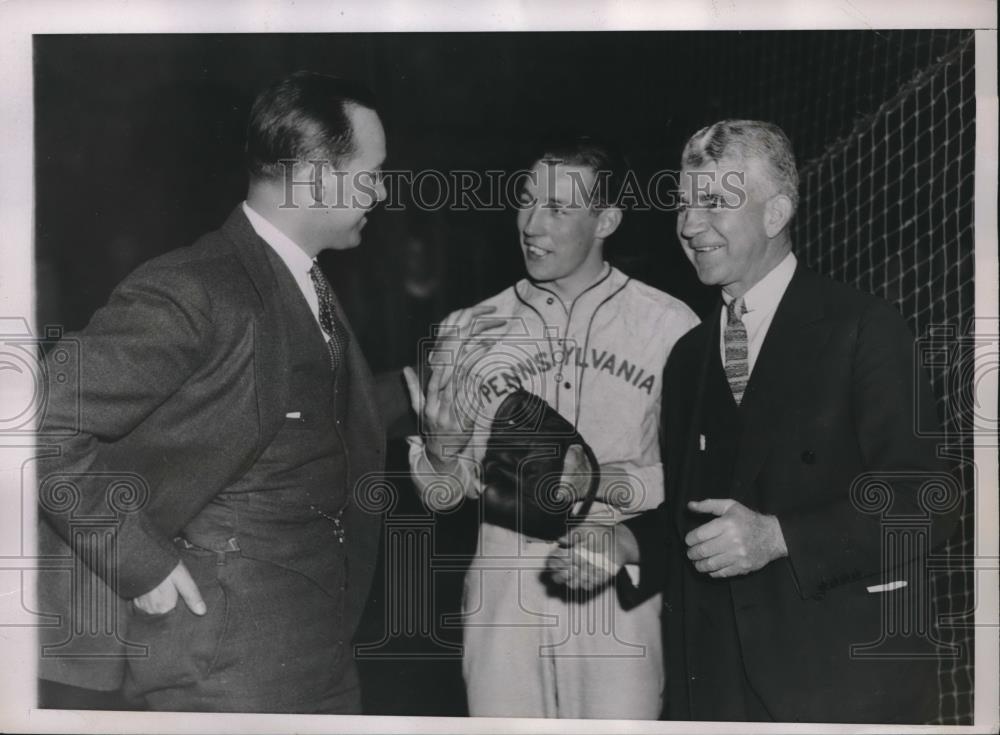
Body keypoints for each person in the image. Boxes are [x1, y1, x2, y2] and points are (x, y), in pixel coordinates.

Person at [547, 119, 960, 723]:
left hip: (841, 681)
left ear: (776, 214)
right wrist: (622, 540)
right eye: (684, 204)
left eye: (714, 202)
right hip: (718, 687)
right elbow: (698, 514)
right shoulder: (689, 357)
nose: (688, 225)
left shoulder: (864, 328)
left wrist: (778, 537)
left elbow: (929, 499)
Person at [36, 71, 407, 713]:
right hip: (224, 670)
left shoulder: (300, 280)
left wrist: (419, 389)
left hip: (317, 651)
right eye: (372, 174)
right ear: (318, 177)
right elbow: (34, 423)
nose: (380, 193)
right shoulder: (195, 288)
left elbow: (310, 424)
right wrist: (138, 562)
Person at [403, 136, 699, 719]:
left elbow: (700, 477)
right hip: (504, 595)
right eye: (527, 202)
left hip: (615, 581)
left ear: (606, 219)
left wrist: (606, 487)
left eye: (559, 208)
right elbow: (441, 498)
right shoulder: (470, 328)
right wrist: (441, 456)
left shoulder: (670, 327)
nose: (532, 224)